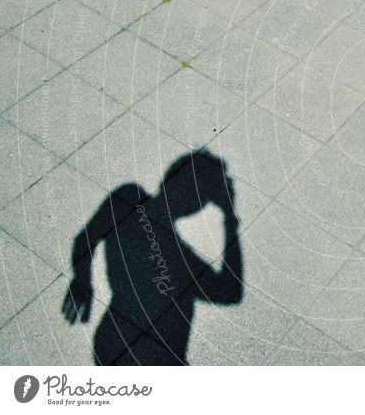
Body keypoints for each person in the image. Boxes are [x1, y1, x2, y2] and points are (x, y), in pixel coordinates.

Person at [61, 150, 243, 365]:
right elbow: (230, 291)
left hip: (116, 341)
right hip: (155, 354)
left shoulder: (127, 200)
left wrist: (83, 279)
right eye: (203, 195)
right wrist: (229, 219)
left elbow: (86, 238)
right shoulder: (179, 259)